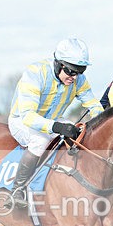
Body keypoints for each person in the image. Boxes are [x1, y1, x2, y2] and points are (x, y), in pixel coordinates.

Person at [7, 37, 104, 207]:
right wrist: (57, 127)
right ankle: (17, 190)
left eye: (80, 71)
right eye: (71, 72)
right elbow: (28, 116)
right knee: (40, 140)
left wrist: (101, 121)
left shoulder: (78, 80)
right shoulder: (35, 73)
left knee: (78, 135)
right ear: (59, 64)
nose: (74, 77)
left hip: (52, 120)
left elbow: (93, 104)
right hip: (22, 120)